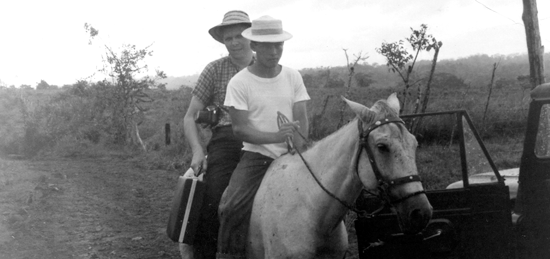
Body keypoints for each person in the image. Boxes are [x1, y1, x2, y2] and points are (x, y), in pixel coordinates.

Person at [217, 15, 310, 259]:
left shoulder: (293, 76)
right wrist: (276, 136)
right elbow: (240, 129)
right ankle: (229, 255)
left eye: (278, 45)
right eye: (267, 46)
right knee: (231, 207)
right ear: (254, 46)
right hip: (257, 157)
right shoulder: (239, 83)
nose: (275, 51)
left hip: (294, 156)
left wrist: (298, 145)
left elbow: (302, 118)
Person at [181, 10, 254, 259]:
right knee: (214, 198)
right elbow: (190, 116)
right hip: (227, 139)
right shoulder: (214, 70)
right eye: (228, 38)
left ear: (251, 36)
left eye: (239, 36)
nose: (233, 42)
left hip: (266, 138)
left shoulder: (266, 66)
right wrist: (198, 150)